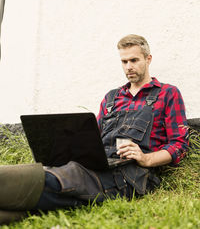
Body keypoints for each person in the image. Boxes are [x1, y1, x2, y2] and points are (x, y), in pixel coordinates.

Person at [0, 34, 189, 225]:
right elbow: (94, 140)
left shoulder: (167, 93)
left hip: (132, 175)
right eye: (124, 61)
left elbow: (180, 144)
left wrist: (147, 158)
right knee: (57, 173)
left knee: (66, 177)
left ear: (148, 59)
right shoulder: (111, 98)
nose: (128, 66)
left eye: (134, 60)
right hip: (98, 165)